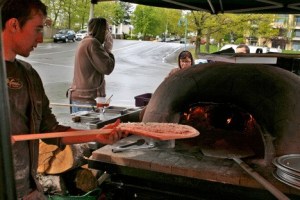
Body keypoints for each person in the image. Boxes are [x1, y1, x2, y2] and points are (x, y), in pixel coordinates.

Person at [1, 0, 121, 199]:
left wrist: (97, 135)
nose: (40, 38)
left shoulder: (29, 75)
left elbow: (51, 131)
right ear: (14, 25)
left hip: (27, 190)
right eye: (37, 29)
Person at [69, 17, 115, 113]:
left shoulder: (86, 41)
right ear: (101, 30)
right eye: (107, 29)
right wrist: (108, 49)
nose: (109, 33)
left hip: (81, 98)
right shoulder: (92, 43)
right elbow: (107, 68)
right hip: (86, 100)